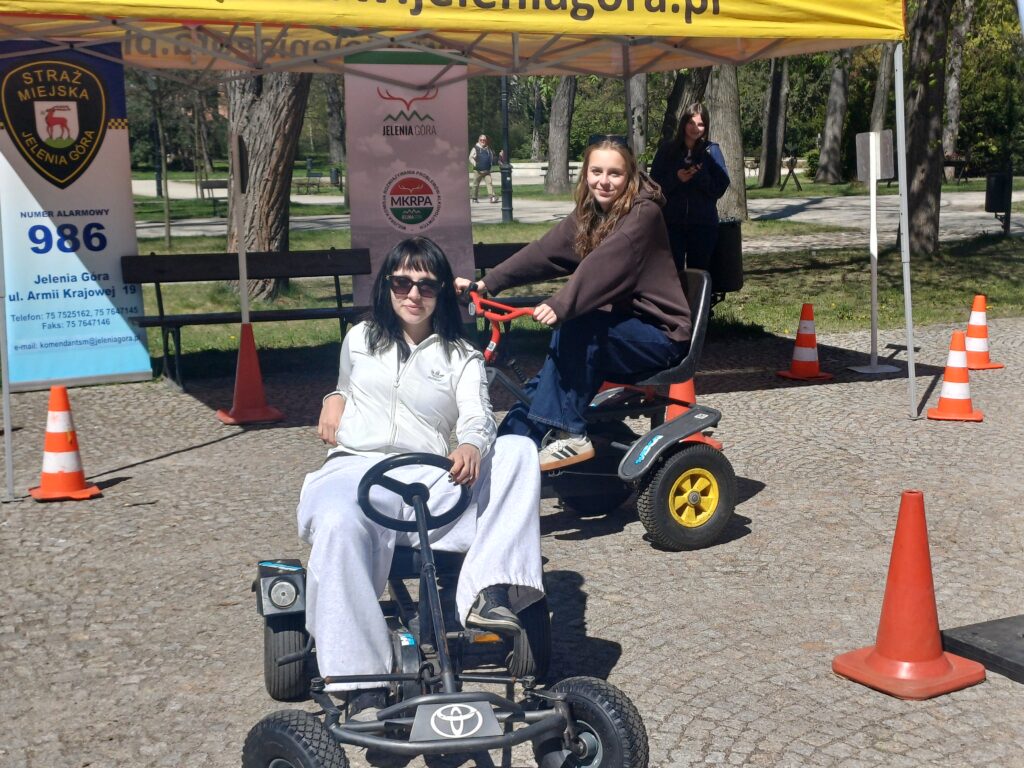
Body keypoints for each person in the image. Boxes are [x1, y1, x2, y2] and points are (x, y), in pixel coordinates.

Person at [298, 236, 544, 712]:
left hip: (426, 478)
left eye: (427, 285)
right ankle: (360, 681)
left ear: (441, 293)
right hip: (356, 467)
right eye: (402, 283)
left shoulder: (461, 355)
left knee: (518, 449)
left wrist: (471, 443)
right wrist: (333, 397)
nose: (413, 294)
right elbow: (347, 384)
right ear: (387, 286)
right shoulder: (359, 338)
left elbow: (478, 415)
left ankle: (489, 590)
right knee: (338, 520)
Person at [455, 135, 692, 472]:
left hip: (659, 336)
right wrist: (487, 283)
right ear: (586, 173)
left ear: (630, 176)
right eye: (596, 171)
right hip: (614, 331)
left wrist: (563, 303)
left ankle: (570, 434)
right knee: (541, 389)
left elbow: (608, 262)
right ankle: (507, 457)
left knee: (578, 324)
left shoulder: (644, 214)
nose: (604, 181)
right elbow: (545, 251)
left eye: (615, 173)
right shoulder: (592, 211)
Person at [649, 102, 731, 271]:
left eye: (701, 124)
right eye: (691, 123)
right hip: (672, 224)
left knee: (699, 272)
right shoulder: (667, 150)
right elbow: (653, 185)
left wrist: (700, 177)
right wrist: (677, 178)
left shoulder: (711, 151)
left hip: (703, 225)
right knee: (673, 273)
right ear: (684, 124)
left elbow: (719, 187)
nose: (695, 128)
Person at [469, 134, 497, 203]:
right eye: (481, 140)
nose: (482, 141)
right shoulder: (475, 148)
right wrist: (475, 164)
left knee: (489, 183)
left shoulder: (488, 149)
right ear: (478, 140)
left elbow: (491, 158)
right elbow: (470, 157)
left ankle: (492, 197)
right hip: (478, 171)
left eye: (484, 140)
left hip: (487, 171)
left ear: (486, 141)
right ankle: (474, 198)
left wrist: (490, 165)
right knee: (475, 184)